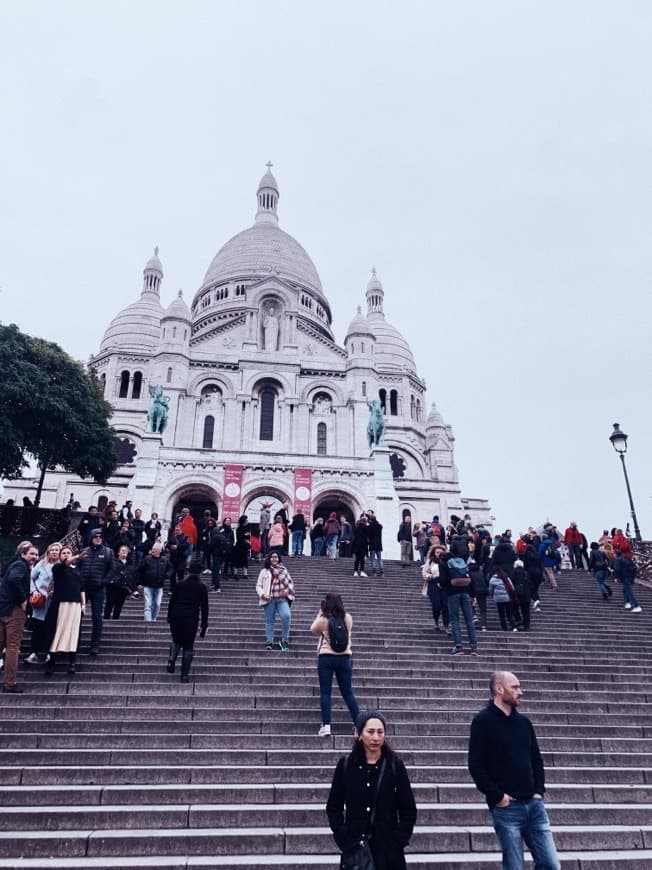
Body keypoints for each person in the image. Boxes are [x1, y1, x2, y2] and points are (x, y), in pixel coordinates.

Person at [468, 671, 561, 870]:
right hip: (507, 808)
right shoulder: (482, 722)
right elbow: (476, 765)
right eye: (515, 687)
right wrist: (498, 796)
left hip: (534, 806)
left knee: (551, 865)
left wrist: (538, 792)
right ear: (499, 689)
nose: (520, 692)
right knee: (514, 867)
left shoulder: (524, 723)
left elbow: (536, 760)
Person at [326, 710, 417, 870]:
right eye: (370, 732)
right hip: (355, 851)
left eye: (380, 732)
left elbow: (408, 809)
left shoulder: (394, 766)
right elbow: (334, 807)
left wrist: (398, 840)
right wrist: (343, 837)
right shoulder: (346, 766)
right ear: (360, 734)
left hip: (389, 852)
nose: (376, 737)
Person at [310, 592, 360, 737]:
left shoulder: (323, 619)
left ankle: (326, 726)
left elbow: (312, 629)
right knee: (348, 692)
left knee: (326, 692)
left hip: (326, 657)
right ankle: (358, 725)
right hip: (344, 658)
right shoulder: (348, 618)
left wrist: (320, 612)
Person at [0, 542, 39, 693]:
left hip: (3, 607)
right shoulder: (20, 566)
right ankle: (9, 683)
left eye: (36, 554)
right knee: (13, 647)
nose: (35, 557)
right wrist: (23, 600)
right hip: (14, 610)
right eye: (31, 554)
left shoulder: (13, 564)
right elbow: (14, 580)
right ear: (23, 554)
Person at [45, 546, 86, 675]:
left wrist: (83, 604)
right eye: (64, 553)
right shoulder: (57, 568)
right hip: (61, 604)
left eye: (69, 552)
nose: (66, 555)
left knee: (74, 633)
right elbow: (65, 564)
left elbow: (82, 588)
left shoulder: (78, 571)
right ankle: (52, 662)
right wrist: (77, 557)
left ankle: (72, 662)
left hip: (75, 605)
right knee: (58, 632)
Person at [166, 560, 209, 682]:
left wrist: (169, 616)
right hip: (191, 618)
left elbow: (172, 602)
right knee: (188, 646)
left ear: (188, 572)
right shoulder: (201, 587)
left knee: (176, 640)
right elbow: (205, 608)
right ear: (199, 573)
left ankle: (171, 660)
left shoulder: (180, 584)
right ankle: (184, 675)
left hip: (176, 616)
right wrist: (204, 625)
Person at [78, 529, 114, 656]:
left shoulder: (108, 552)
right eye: (95, 537)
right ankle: (75, 642)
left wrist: (103, 582)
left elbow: (112, 570)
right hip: (83, 589)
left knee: (97, 617)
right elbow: (77, 567)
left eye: (100, 537)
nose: (98, 539)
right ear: (91, 537)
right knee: (77, 617)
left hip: (98, 589)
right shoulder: (84, 551)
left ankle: (95, 644)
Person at [25, 542, 61, 664]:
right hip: (39, 600)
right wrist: (34, 591)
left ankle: (48, 652)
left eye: (57, 550)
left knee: (50, 628)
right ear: (48, 552)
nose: (55, 552)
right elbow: (32, 578)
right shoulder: (41, 564)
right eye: (52, 550)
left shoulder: (61, 566)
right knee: (37, 627)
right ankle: (33, 652)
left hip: (53, 601)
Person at [439, 551, 478, 655]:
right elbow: (470, 578)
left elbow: (442, 580)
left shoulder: (443, 563)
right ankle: (474, 648)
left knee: (455, 620)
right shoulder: (461, 562)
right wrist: (473, 595)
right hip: (465, 592)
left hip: (453, 593)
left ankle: (459, 647)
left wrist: (441, 585)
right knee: (469, 620)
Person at [256, 552, 294, 651]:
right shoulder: (264, 571)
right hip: (269, 599)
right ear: (269, 559)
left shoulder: (284, 570)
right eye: (272, 557)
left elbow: (290, 584)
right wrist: (262, 594)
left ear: (279, 559)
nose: (274, 559)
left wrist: (287, 591)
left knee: (287, 616)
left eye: (276, 557)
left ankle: (284, 640)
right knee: (270, 621)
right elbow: (258, 586)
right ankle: (269, 641)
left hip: (281, 599)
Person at [137, 542, 171, 621]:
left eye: (155, 549)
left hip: (159, 586)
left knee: (157, 604)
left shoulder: (165, 560)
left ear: (159, 550)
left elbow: (171, 568)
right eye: (152, 549)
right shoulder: (146, 559)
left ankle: (153, 619)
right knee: (148, 604)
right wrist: (139, 583)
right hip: (148, 585)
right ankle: (148, 621)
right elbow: (139, 571)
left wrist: (167, 575)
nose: (153, 550)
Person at [104, 545, 137, 619]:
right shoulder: (113, 562)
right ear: (118, 553)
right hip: (113, 587)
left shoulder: (130, 564)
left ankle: (115, 620)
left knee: (118, 606)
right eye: (122, 550)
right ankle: (106, 620)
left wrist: (133, 588)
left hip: (123, 588)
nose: (124, 552)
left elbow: (132, 576)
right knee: (109, 605)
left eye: (126, 551)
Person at [422, 544, 450, 634]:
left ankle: (446, 626)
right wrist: (430, 576)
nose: (439, 554)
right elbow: (424, 573)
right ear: (434, 553)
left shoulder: (447, 561)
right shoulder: (430, 561)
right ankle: (436, 621)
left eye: (441, 552)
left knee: (445, 605)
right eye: (437, 552)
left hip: (445, 584)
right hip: (433, 583)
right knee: (436, 605)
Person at [613, 548, 641, 612]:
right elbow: (634, 567)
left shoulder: (617, 560)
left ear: (615, 554)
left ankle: (636, 606)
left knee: (629, 591)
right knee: (625, 590)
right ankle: (627, 603)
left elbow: (617, 569)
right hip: (630, 576)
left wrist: (616, 577)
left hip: (625, 577)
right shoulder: (626, 559)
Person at [167, 524, 191, 590]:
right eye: (176, 530)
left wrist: (177, 547)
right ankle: (172, 588)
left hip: (181, 558)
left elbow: (186, 545)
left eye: (178, 530)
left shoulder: (186, 537)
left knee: (180, 573)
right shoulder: (172, 537)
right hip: (173, 558)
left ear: (181, 530)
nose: (177, 531)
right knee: (172, 574)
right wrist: (170, 547)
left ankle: (180, 588)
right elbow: (168, 545)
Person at [366, 510, 384, 576]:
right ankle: (382, 572)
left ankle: (374, 572)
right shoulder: (379, 526)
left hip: (372, 545)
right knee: (379, 559)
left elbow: (368, 535)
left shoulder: (370, 527)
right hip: (379, 545)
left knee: (373, 559)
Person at [233, 515, 251, 579]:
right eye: (246, 520)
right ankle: (235, 573)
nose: (247, 521)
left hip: (245, 546)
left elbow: (248, 537)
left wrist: (247, 539)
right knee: (237, 560)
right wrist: (245, 535)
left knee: (245, 560)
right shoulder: (239, 528)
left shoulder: (247, 528)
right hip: (239, 546)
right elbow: (239, 537)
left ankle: (245, 574)